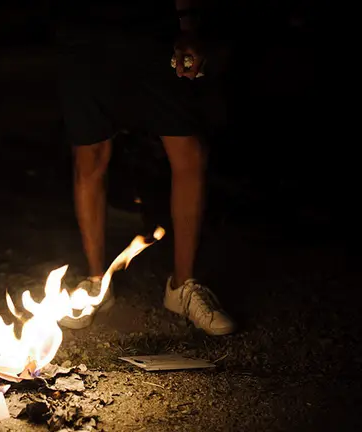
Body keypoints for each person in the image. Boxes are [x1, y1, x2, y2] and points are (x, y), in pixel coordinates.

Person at [55, 0, 235, 335]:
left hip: (154, 34)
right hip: (85, 36)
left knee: (189, 151)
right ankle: (97, 283)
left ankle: (182, 287)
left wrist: (188, 28)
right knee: (89, 157)